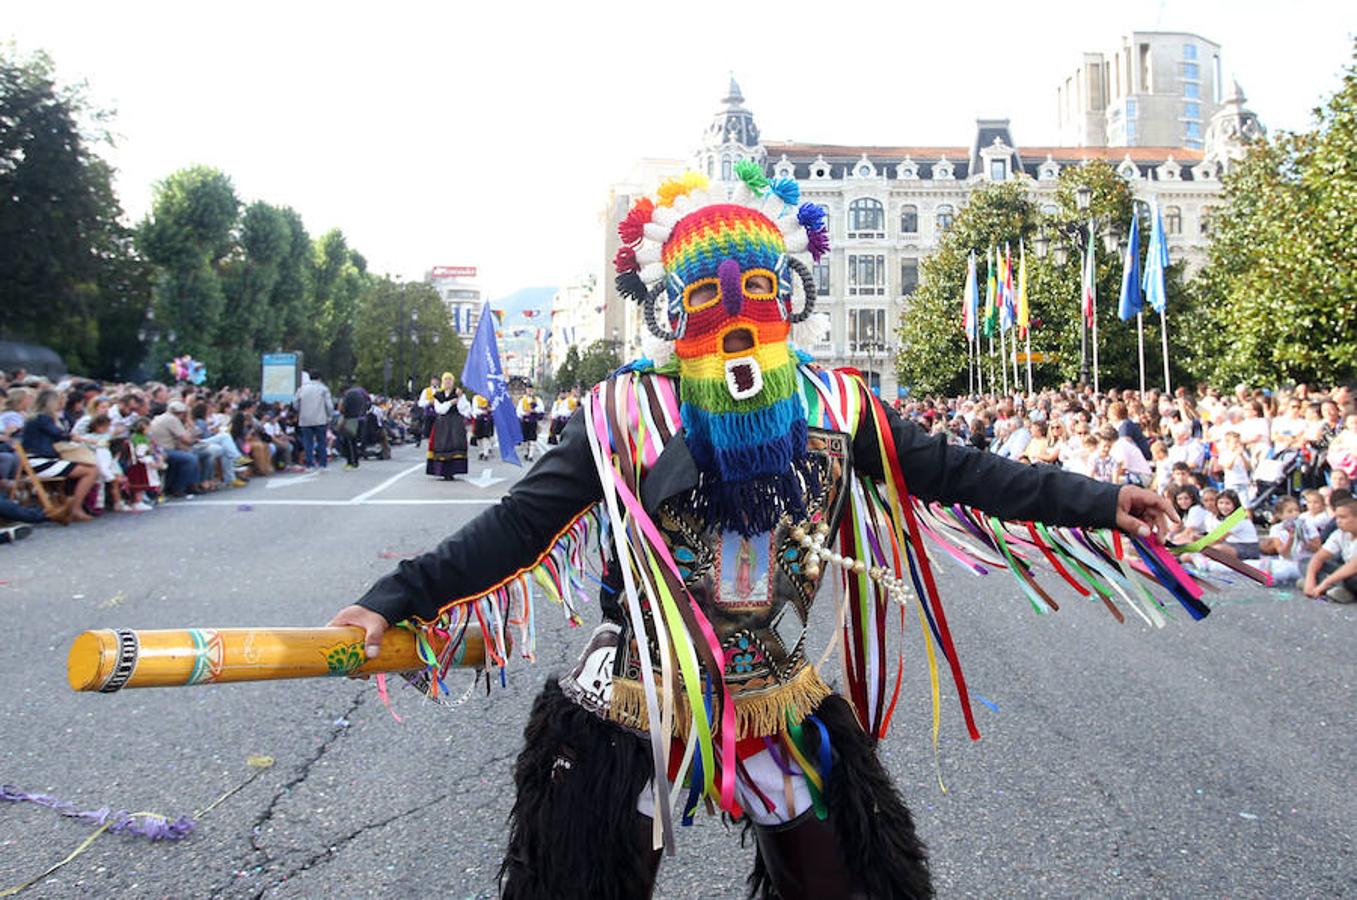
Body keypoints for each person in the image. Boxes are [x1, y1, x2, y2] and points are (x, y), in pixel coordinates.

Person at [329, 172, 1176, 899]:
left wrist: (1103, 502)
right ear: (672, 310)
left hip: (774, 694)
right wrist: (393, 597)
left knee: (850, 883)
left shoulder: (838, 406)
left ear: (788, 294)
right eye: (705, 295)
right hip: (636, 696)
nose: (735, 314)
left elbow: (968, 473)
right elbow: (517, 527)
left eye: (756, 291)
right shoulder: (625, 413)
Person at [20, 389, 97, 522]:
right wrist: (76, 438)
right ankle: (76, 508)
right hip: (39, 462)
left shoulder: (35, 417)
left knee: (85, 468)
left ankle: (71, 504)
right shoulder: (43, 418)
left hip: (34, 461)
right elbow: (59, 434)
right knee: (91, 471)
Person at [1302, 496, 1357, 603]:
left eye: (1343, 517)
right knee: (1306, 562)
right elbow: (1319, 557)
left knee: (1352, 579)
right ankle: (1325, 587)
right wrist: (1310, 579)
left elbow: (1354, 566)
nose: (1338, 521)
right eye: (1337, 518)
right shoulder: (1339, 534)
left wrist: (1325, 583)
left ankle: (1330, 587)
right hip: (1346, 572)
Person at [426, 373, 471, 480]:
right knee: (442, 446)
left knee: (455, 445)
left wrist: (459, 398)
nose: (448, 382)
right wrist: (450, 403)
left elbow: (464, 409)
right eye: (446, 380)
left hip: (456, 423)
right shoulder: (438, 394)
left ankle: (452, 471)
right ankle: (442, 471)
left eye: (450, 380)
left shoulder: (459, 393)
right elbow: (440, 409)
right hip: (442, 423)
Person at [293, 372, 334, 469]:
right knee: (321, 442)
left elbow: (295, 403)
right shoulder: (323, 389)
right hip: (320, 419)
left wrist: (300, 410)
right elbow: (329, 405)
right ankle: (322, 464)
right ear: (319, 378)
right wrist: (329, 416)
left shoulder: (301, 389)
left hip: (305, 420)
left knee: (308, 442)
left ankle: (309, 464)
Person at [338, 383, 372, 470]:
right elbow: (369, 403)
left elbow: (342, 409)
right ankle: (357, 458)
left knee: (349, 441)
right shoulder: (361, 391)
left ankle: (351, 462)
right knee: (356, 441)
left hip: (351, 419)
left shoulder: (347, 395)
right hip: (362, 418)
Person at [516, 388, 545, 462]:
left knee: (532, 438)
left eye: (531, 390)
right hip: (524, 421)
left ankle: (530, 456)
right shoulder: (522, 400)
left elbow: (542, 409)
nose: (530, 391)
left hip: (533, 421)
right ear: (526, 390)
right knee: (525, 439)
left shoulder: (537, 399)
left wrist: (534, 410)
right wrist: (524, 413)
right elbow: (518, 411)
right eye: (528, 390)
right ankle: (526, 452)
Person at [472, 394, 494, 460]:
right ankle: (481, 451)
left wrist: (489, 410)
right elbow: (474, 409)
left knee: (486, 436)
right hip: (479, 419)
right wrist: (481, 411)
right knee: (479, 437)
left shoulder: (489, 397)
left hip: (487, 419)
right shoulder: (476, 398)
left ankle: (486, 453)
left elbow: (493, 407)